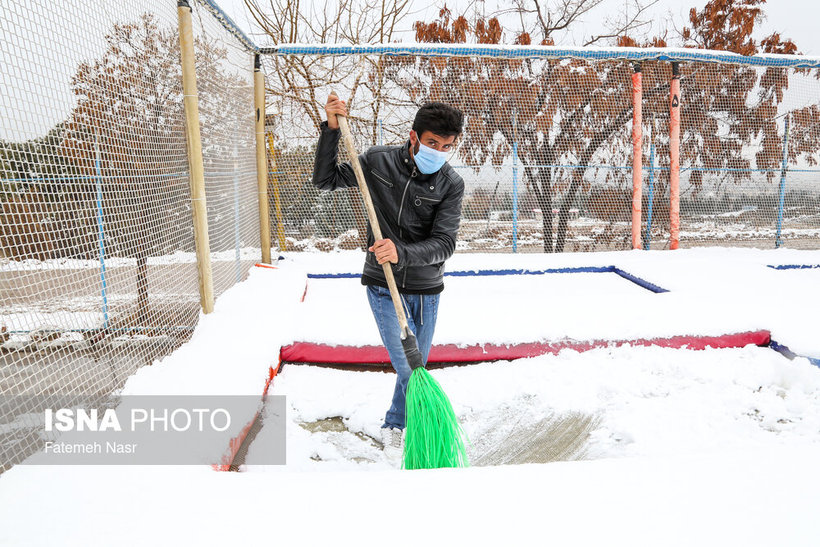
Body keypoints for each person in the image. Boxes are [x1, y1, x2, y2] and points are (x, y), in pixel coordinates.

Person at [312, 95, 465, 462]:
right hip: (382, 284)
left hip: (427, 289)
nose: (440, 152)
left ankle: (396, 423)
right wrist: (332, 130)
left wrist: (402, 253)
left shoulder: (450, 184)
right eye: (432, 143)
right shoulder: (377, 161)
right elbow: (325, 179)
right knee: (409, 365)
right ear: (414, 137)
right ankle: (417, 426)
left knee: (416, 367)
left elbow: (445, 243)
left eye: (448, 146)